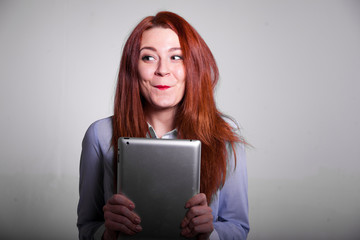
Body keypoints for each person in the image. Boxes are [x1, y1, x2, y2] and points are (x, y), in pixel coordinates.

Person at [77, 11, 249, 240]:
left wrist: (211, 234)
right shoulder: (100, 135)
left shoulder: (224, 135)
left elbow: (238, 227)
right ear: (133, 68)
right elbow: (87, 227)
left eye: (176, 57)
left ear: (193, 67)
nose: (163, 70)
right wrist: (107, 233)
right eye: (148, 57)